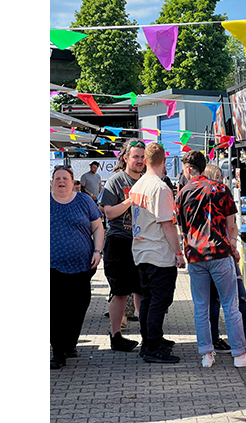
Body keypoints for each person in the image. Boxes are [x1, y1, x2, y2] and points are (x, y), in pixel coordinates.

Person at [175, 151, 246, 368]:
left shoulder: (182, 194)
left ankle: (206, 354)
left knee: (200, 307)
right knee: (230, 305)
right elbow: (230, 225)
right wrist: (233, 248)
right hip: (220, 253)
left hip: (196, 256)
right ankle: (240, 354)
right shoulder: (220, 189)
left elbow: (183, 230)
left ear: (188, 169)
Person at [129, 143, 186, 363]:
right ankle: (152, 347)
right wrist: (178, 253)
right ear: (164, 161)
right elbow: (167, 224)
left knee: (148, 300)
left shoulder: (138, 185)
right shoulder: (160, 188)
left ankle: (151, 340)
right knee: (158, 302)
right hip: (158, 252)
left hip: (142, 250)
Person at [203, 164, 246, 352]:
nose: (221, 180)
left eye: (222, 176)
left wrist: (232, 242)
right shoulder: (208, 196)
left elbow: (233, 224)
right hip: (217, 255)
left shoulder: (223, 193)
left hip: (222, 252)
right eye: (218, 176)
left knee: (238, 297)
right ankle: (219, 340)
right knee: (218, 300)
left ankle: (243, 337)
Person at [50, 165, 105, 370]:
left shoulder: (83, 201)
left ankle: (70, 343)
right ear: (52, 181)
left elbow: (98, 227)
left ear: (73, 182)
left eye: (65, 178)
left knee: (79, 305)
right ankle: (58, 352)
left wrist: (98, 251)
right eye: (57, 178)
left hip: (81, 265)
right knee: (55, 309)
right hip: (51, 267)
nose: (61, 181)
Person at [100, 140, 145, 352]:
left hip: (143, 241)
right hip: (119, 241)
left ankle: (148, 334)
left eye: (142, 157)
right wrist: (129, 201)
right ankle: (116, 336)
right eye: (135, 156)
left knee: (142, 289)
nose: (140, 161)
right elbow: (108, 213)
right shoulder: (115, 181)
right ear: (125, 158)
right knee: (119, 292)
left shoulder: (149, 180)